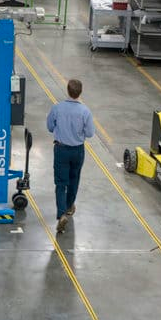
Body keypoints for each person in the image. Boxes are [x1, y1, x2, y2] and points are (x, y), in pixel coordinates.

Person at [45, 78, 95, 234]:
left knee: (61, 183)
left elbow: (50, 127)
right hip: (77, 151)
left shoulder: (57, 108)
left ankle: (61, 214)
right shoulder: (85, 111)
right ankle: (69, 207)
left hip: (61, 150)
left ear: (67, 90)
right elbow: (90, 133)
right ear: (80, 92)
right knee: (74, 179)